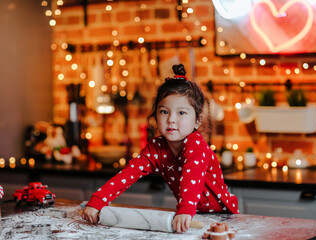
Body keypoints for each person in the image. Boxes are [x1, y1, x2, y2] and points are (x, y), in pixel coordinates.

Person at [82, 64, 239, 233]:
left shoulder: (196, 145)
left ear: (197, 120)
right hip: (191, 216)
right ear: (155, 115)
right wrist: (97, 200)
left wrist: (185, 209)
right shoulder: (155, 148)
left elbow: (191, 175)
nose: (171, 119)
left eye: (181, 113)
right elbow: (127, 174)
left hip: (223, 216)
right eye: (164, 112)